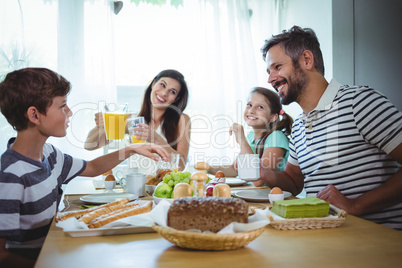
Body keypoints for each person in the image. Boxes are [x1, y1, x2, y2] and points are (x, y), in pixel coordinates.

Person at [0, 68, 169, 267]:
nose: (70, 112)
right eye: (63, 106)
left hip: (55, 249)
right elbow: (3, 256)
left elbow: (91, 166)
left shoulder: (50, 154)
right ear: (34, 115)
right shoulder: (10, 175)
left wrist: (132, 148)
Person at [259, 25, 402, 230]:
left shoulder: (358, 102)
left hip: (375, 241)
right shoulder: (299, 125)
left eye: (277, 67)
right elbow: (293, 181)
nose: (270, 79)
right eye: (268, 71)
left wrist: (355, 205)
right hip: (326, 236)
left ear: (307, 60)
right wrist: (265, 173)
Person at [85, 69, 191, 172]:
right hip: (133, 185)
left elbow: (181, 166)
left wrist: (156, 139)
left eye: (172, 92)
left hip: (162, 186)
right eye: (162, 85)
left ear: (176, 99)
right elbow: (89, 145)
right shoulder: (131, 120)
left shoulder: (182, 120)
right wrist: (102, 126)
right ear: (153, 83)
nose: (164, 93)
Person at [208, 87, 293, 187]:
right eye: (249, 105)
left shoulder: (276, 137)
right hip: (255, 196)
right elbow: (234, 170)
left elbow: (258, 180)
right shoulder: (251, 137)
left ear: (273, 117)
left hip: (273, 199)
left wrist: (242, 140)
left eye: (260, 107)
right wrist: (208, 168)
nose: (251, 111)